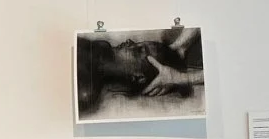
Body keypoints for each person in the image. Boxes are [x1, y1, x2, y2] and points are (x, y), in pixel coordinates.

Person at [76, 26, 204, 119]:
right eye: (137, 44)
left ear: (137, 76)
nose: (129, 41)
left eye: (137, 50)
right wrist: (180, 46)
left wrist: (182, 78)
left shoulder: (85, 92)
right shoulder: (98, 49)